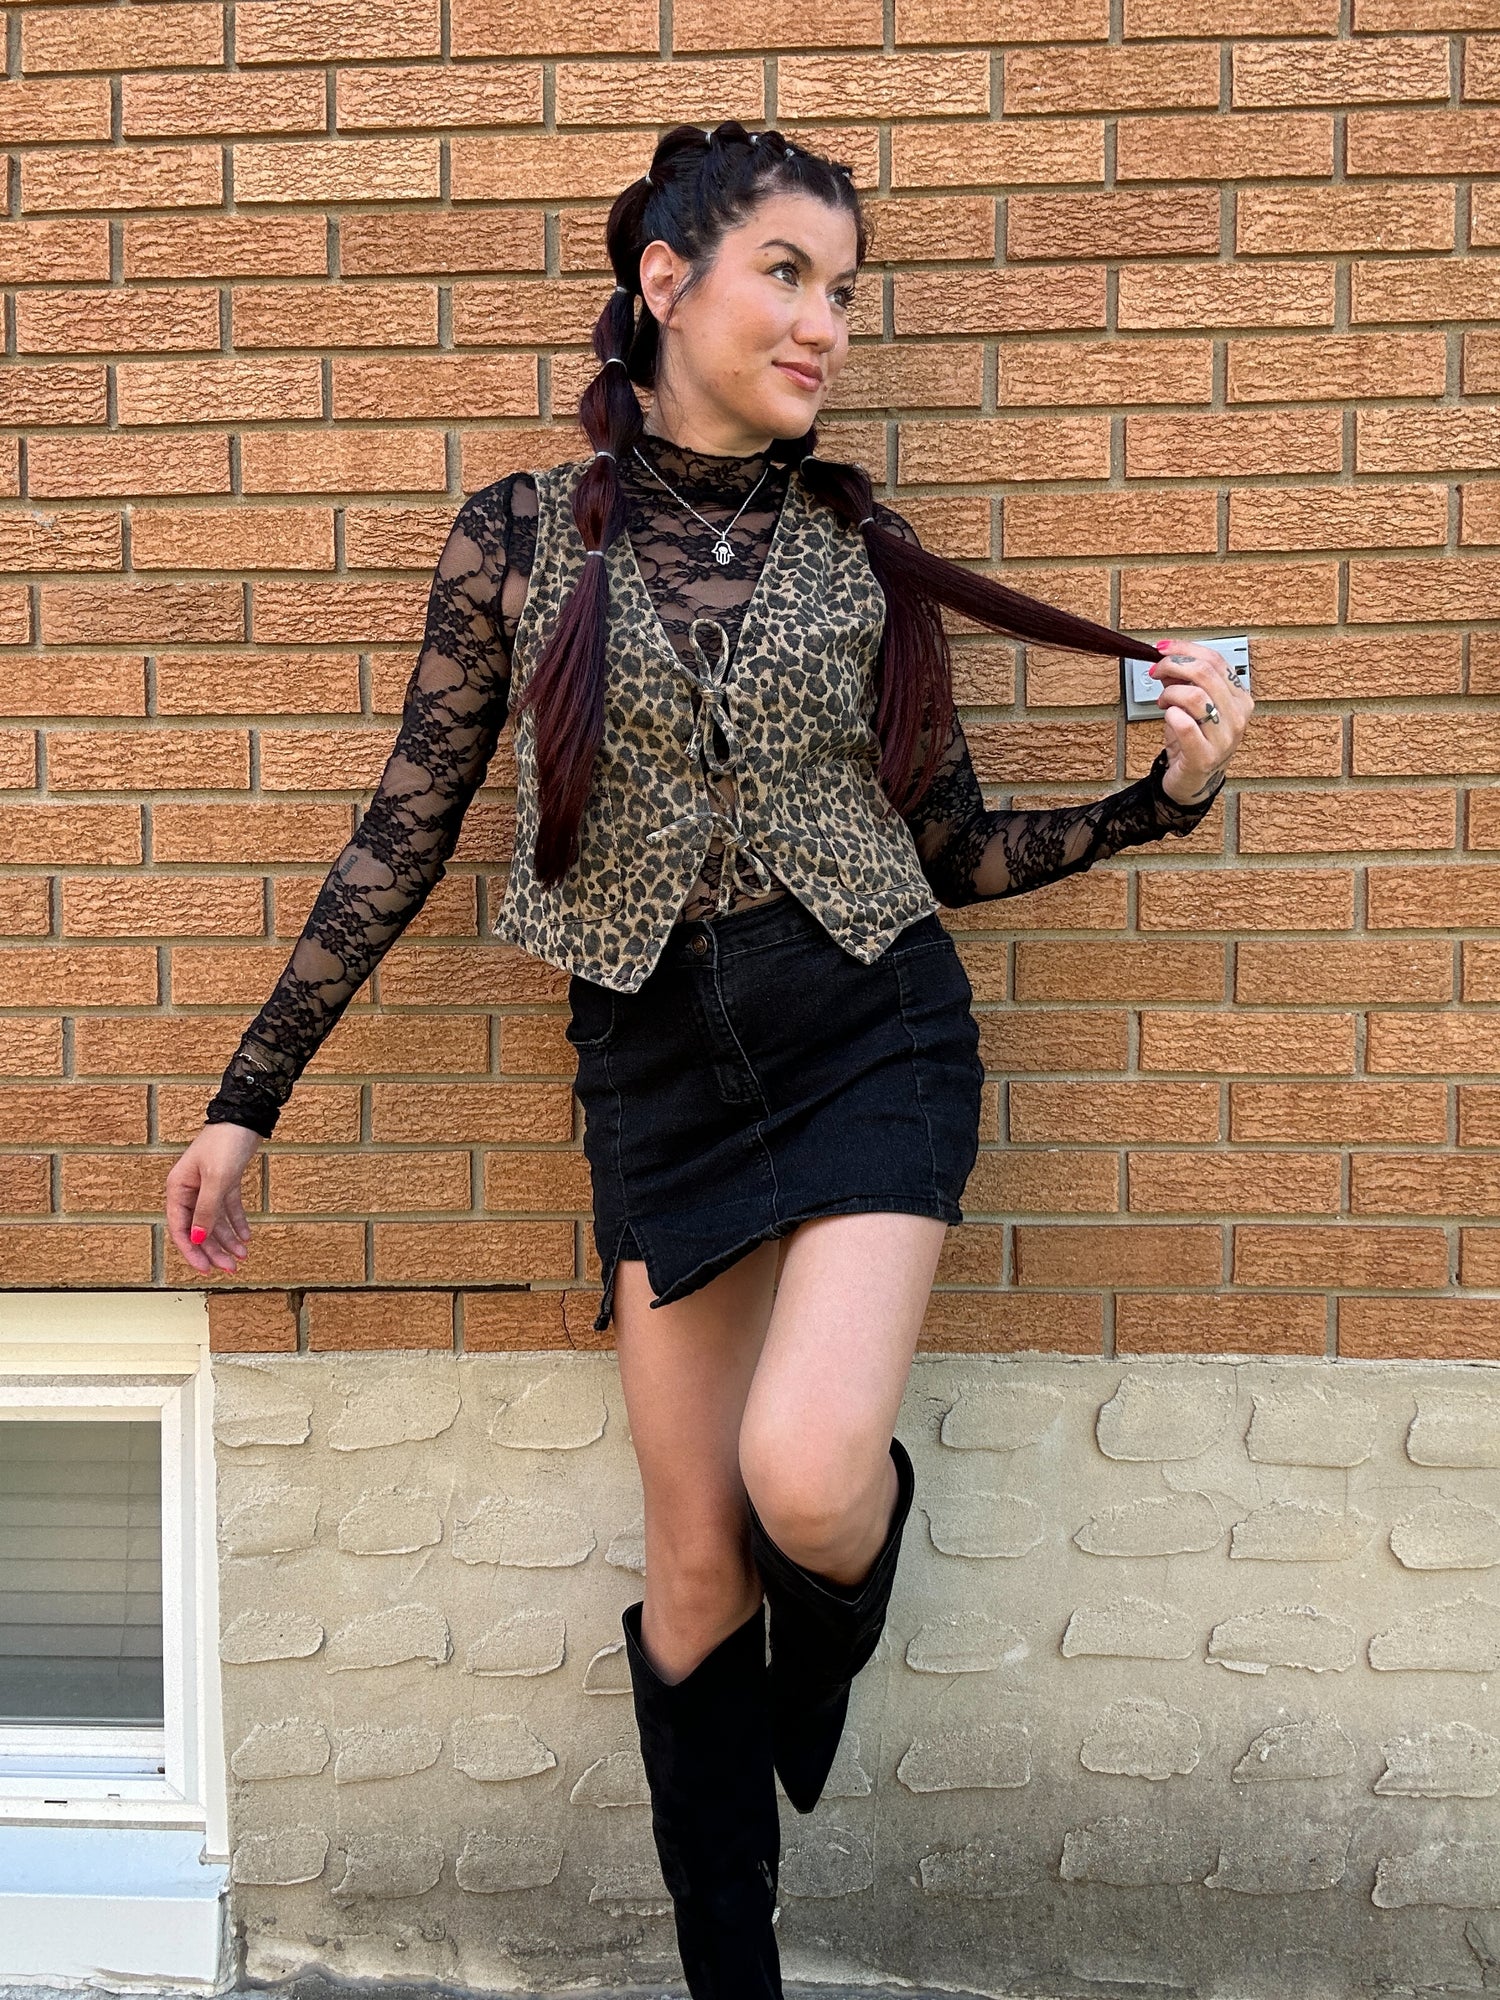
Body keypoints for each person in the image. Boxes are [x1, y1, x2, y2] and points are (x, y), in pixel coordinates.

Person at [166, 120, 1249, 2000]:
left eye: (846, 291)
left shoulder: (861, 550)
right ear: (666, 282)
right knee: (693, 1569)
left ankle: (819, 1649)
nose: (826, 322)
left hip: (868, 1025)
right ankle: (731, 1972)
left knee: (807, 1480)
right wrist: (247, 1098)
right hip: (653, 1061)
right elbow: (401, 833)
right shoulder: (520, 536)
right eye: (788, 275)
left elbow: (949, 850)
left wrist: (1162, 796)